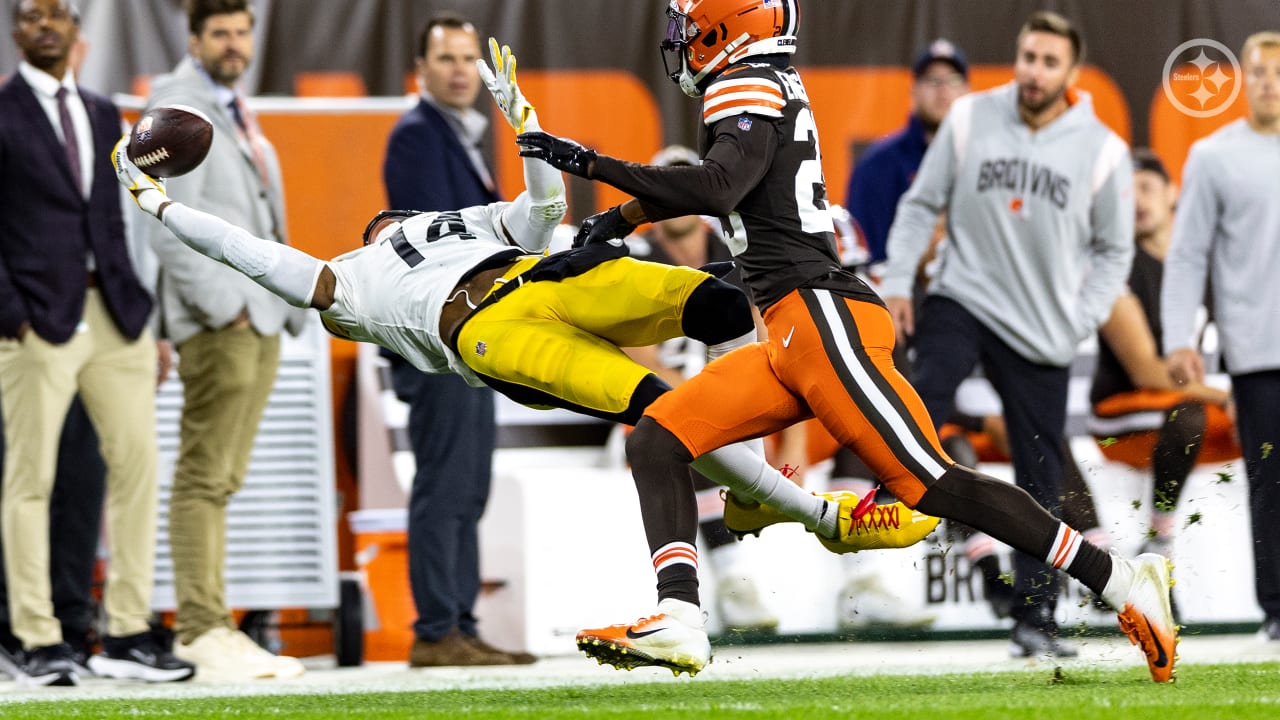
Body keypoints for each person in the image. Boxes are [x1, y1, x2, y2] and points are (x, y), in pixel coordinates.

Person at [114, 37, 927, 674]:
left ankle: (807, 403)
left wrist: (527, 128)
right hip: (489, 332)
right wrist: (165, 208)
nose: (383, 223)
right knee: (658, 409)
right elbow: (260, 256)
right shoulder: (349, 281)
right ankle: (824, 517)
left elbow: (543, 212)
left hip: (545, 278)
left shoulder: (452, 224)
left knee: (715, 296)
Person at [514, 0, 1175, 683]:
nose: (680, 43)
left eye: (689, 29)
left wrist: (587, 164)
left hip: (823, 318)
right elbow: (738, 183)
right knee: (657, 436)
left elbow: (718, 186)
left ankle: (1122, 578)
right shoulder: (761, 78)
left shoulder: (744, 83)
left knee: (927, 481)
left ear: (724, 28)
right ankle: (680, 617)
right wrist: (621, 216)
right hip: (788, 329)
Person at [876, 10, 1138, 658]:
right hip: (963, 296)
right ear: (1016, 58)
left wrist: (1080, 318)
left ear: (1071, 74)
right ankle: (869, 524)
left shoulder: (1103, 150)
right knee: (916, 404)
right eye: (1027, 57)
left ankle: (1035, 617)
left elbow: (1115, 252)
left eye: (1049, 62)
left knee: (1040, 479)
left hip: (1044, 328)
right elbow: (919, 206)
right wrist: (900, 282)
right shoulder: (969, 118)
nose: (1034, 71)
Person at [0, 0, 193, 686]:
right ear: (16, 32)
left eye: (58, 14)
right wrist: (11, 314)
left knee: (139, 469)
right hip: (36, 322)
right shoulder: (3, 111)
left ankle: (127, 631)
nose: (45, 24)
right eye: (31, 15)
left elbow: (115, 219)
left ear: (77, 31)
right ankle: (34, 637)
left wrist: (146, 319)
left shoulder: (104, 111)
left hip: (115, 315)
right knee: (30, 480)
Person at [130, 0, 306, 680]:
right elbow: (155, 210)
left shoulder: (229, 103)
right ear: (193, 38)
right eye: (221, 34)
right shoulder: (176, 103)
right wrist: (220, 306)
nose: (235, 45)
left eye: (242, 32)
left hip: (258, 314)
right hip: (224, 318)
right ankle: (201, 628)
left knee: (222, 478)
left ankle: (217, 623)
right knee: (205, 476)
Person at [381, 13, 528, 668]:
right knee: (446, 483)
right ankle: (437, 628)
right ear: (422, 70)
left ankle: (459, 623)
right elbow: (443, 242)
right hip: (437, 333)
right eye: (448, 59)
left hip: (466, 334)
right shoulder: (416, 137)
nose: (463, 69)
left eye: (471, 58)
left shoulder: (465, 137)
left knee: (469, 485)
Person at [624, 144, 779, 634]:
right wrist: (702, 399)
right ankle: (733, 578)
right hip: (650, 397)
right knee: (684, 428)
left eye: (682, 182)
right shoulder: (635, 255)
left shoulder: (733, 253)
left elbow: (762, 335)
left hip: (727, 395)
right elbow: (632, 351)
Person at [1161, 31, 1280, 643]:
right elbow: (1186, 256)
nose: (1268, 81)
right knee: (1271, 482)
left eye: (1277, 71)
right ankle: (1278, 609)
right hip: (1258, 352)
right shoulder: (1214, 156)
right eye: (1258, 71)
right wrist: (1179, 336)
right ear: (1243, 80)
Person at [1089, 149, 1237, 577]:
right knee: (1189, 416)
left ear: (1173, 193)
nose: (1136, 200)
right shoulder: (1116, 267)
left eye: (1146, 187)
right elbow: (1147, 373)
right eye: (1125, 192)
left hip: (1188, 411)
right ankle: (1161, 535)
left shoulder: (1206, 263)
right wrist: (1225, 397)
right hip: (1121, 417)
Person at [846, 38, 969, 269]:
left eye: (953, 80)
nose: (943, 90)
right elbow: (865, 260)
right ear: (913, 91)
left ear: (967, 91)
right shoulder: (877, 165)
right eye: (932, 80)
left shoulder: (983, 161)